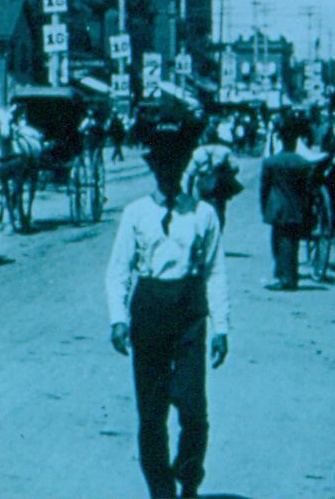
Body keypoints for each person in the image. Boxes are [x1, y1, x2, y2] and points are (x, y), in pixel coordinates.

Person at [106, 135, 230, 499]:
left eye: (174, 165)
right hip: (149, 309)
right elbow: (118, 270)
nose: (167, 173)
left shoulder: (203, 214)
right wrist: (118, 318)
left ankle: (189, 479)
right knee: (151, 414)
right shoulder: (136, 213)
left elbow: (215, 271)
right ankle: (160, 491)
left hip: (190, 311)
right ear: (152, 168)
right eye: (161, 165)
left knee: (193, 409)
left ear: (183, 167)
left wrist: (221, 327)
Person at [260, 125, 314, 290]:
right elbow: (308, 190)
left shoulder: (271, 162)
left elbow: (264, 188)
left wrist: (264, 208)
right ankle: (290, 275)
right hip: (297, 207)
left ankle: (286, 279)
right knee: (293, 242)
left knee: (280, 241)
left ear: (281, 141)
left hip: (277, 206)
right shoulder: (304, 164)